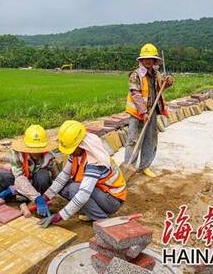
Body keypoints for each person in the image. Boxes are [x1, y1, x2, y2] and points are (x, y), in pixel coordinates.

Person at [39, 120, 127, 228]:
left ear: (81, 144)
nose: (69, 152)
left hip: (112, 199)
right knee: (64, 187)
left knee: (74, 189)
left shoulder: (94, 159)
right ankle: (90, 211)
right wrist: (45, 197)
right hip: (99, 192)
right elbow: (64, 176)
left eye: (71, 149)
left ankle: (103, 220)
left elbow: (83, 195)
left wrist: (58, 217)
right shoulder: (76, 153)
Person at [123, 43, 173, 177]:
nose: (148, 61)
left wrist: (167, 83)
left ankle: (145, 166)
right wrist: (143, 112)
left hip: (152, 112)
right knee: (134, 141)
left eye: (151, 59)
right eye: (145, 59)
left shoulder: (156, 74)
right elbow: (136, 94)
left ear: (155, 60)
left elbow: (161, 87)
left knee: (150, 140)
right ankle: (129, 167)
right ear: (141, 60)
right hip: (138, 114)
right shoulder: (136, 75)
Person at [0, 125, 58, 217]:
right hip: (21, 181)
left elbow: (56, 177)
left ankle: (38, 200)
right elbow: (19, 178)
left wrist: (47, 196)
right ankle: (14, 199)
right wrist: (13, 190)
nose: (36, 152)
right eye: (33, 149)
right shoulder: (18, 154)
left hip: (37, 185)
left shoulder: (48, 157)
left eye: (39, 149)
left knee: (43, 175)